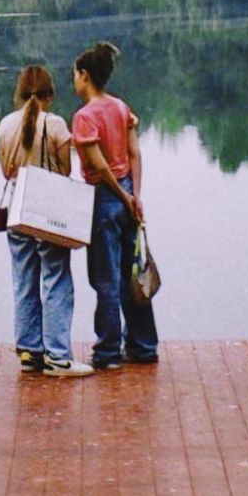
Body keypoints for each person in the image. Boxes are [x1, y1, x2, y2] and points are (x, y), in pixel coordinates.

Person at [0, 63, 93, 378]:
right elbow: (64, 171)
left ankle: (29, 352)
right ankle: (58, 356)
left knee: (24, 282)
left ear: (19, 93)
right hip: (49, 216)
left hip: (17, 212)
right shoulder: (56, 125)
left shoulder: (5, 126)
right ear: (50, 94)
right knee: (55, 281)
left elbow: (6, 172)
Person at [71, 41, 159, 371]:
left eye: (75, 76)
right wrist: (135, 196)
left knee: (105, 279)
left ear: (85, 75)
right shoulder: (121, 108)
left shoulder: (84, 117)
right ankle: (143, 345)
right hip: (126, 193)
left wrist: (124, 198)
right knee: (132, 273)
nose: (74, 82)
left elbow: (100, 168)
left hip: (104, 198)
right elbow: (134, 154)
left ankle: (108, 352)